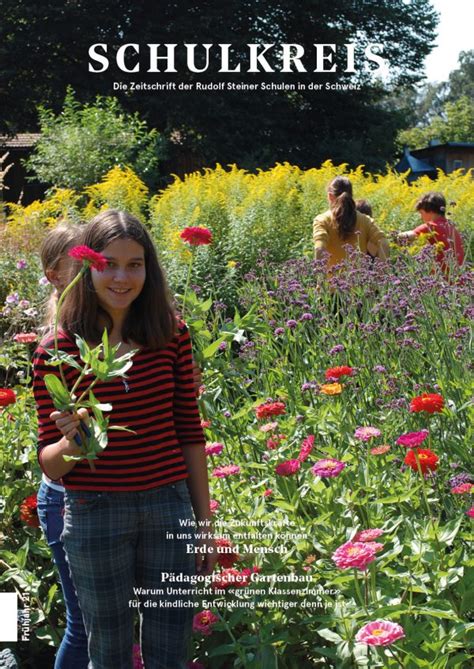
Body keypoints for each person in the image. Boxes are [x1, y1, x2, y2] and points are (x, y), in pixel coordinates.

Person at [33, 210, 216, 669]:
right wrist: (73, 440)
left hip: (168, 506)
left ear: (149, 269)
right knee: (109, 651)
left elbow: (189, 431)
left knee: (171, 649)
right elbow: (50, 465)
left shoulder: (170, 333)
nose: (121, 276)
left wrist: (204, 523)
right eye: (108, 263)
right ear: (87, 268)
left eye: (135, 264)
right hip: (95, 510)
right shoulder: (57, 350)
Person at [36, 222, 90, 669]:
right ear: (55, 274)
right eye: (81, 263)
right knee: (85, 624)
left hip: (104, 498)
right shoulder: (54, 348)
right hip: (64, 499)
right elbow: (56, 457)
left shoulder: (103, 333)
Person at [313, 177, 389, 268]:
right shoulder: (365, 220)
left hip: (330, 281)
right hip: (359, 281)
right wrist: (381, 274)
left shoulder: (322, 220)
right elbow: (383, 242)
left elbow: (319, 248)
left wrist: (319, 278)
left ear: (330, 196)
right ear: (351, 195)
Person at [397, 192, 465, 272]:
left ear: (430, 211)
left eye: (421, 213)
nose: (421, 217)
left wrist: (393, 236)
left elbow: (405, 236)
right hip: (459, 277)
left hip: (442, 280)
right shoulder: (452, 227)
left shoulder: (431, 227)